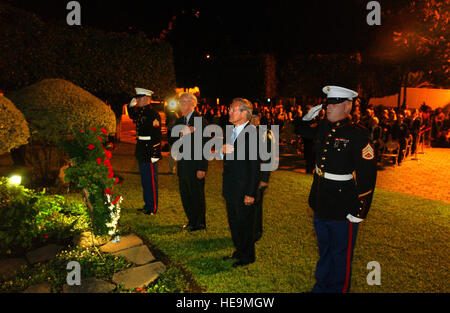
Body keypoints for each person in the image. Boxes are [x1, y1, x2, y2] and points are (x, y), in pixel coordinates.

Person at [297, 85, 377, 293]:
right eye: (327, 104)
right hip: (321, 199)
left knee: (341, 255)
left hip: (344, 205)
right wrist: (306, 117)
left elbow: (368, 174)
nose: (328, 108)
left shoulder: (358, 134)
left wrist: (361, 210)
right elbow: (301, 130)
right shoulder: (324, 127)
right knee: (325, 251)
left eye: (333, 104)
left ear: (347, 106)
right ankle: (321, 288)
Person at [221, 98, 260, 267]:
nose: (229, 112)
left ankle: (247, 256)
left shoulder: (252, 133)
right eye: (230, 109)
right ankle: (239, 250)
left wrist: (251, 193)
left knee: (244, 224)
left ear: (245, 113)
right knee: (234, 222)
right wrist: (223, 152)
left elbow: (255, 167)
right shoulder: (231, 131)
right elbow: (230, 159)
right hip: (231, 187)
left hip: (243, 189)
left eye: (233, 109)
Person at [169, 93, 209, 232]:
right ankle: (191, 220)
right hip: (182, 163)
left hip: (195, 164)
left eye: (184, 101)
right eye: (180, 101)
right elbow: (172, 140)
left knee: (196, 194)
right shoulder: (180, 121)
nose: (181, 104)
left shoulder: (200, 121)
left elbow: (205, 145)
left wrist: (202, 167)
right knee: (185, 193)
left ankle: (200, 223)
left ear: (193, 104)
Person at [127, 88, 162, 215]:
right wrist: (130, 106)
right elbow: (133, 116)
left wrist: (155, 153)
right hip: (142, 149)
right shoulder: (142, 112)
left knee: (151, 181)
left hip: (149, 150)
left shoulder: (153, 114)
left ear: (147, 99)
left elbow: (157, 135)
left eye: (139, 98)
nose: (137, 100)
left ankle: (152, 207)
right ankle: (147, 204)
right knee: (145, 180)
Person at [250, 109, 274, 242]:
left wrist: (265, 179)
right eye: (251, 117)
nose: (253, 120)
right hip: (249, 176)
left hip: (259, 175)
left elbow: (269, 158)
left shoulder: (266, 134)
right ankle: (249, 230)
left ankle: (256, 232)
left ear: (259, 118)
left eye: (255, 117)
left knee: (256, 205)